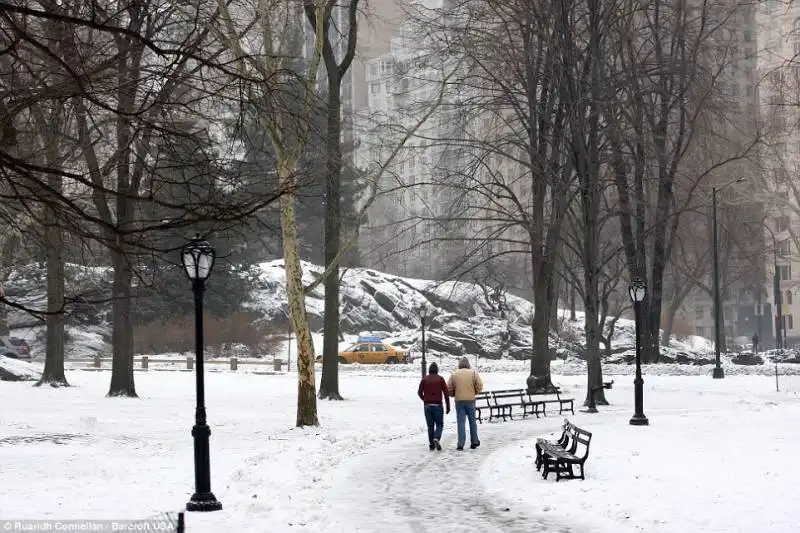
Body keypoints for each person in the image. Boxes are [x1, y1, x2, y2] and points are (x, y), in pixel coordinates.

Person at [448, 357, 484, 450]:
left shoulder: (454, 374)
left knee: (461, 422)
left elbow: (449, 388)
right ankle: (474, 441)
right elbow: (479, 385)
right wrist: (474, 392)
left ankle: (460, 444)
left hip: (459, 401)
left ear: (459, 364)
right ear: (468, 365)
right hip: (471, 401)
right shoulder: (473, 373)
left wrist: (453, 394)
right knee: (472, 421)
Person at [417, 362, 450, 451]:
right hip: (438, 405)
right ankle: (437, 438)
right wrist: (448, 406)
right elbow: (446, 393)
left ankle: (431, 444)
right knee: (439, 424)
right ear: (437, 370)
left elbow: (419, 392)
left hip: (427, 406)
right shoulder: (440, 379)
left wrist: (425, 400)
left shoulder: (424, 379)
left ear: (429, 370)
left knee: (430, 426)